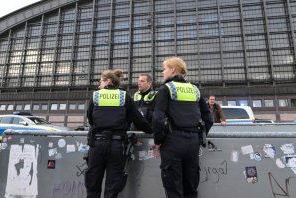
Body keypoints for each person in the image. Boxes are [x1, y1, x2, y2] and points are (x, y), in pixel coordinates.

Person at [85, 69, 153, 198]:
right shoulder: (124, 96)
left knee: (93, 183)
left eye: (101, 80)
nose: (99, 82)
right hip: (116, 145)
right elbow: (139, 120)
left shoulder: (95, 95)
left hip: (97, 144)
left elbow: (90, 119)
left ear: (108, 81)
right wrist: (153, 132)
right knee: (113, 185)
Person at [152, 57, 213, 198]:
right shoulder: (194, 89)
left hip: (172, 142)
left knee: (174, 188)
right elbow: (208, 119)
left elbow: (158, 118)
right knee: (191, 188)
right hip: (192, 143)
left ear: (172, 69)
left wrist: (158, 141)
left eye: (165, 68)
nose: (163, 72)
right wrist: (199, 137)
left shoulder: (165, 89)